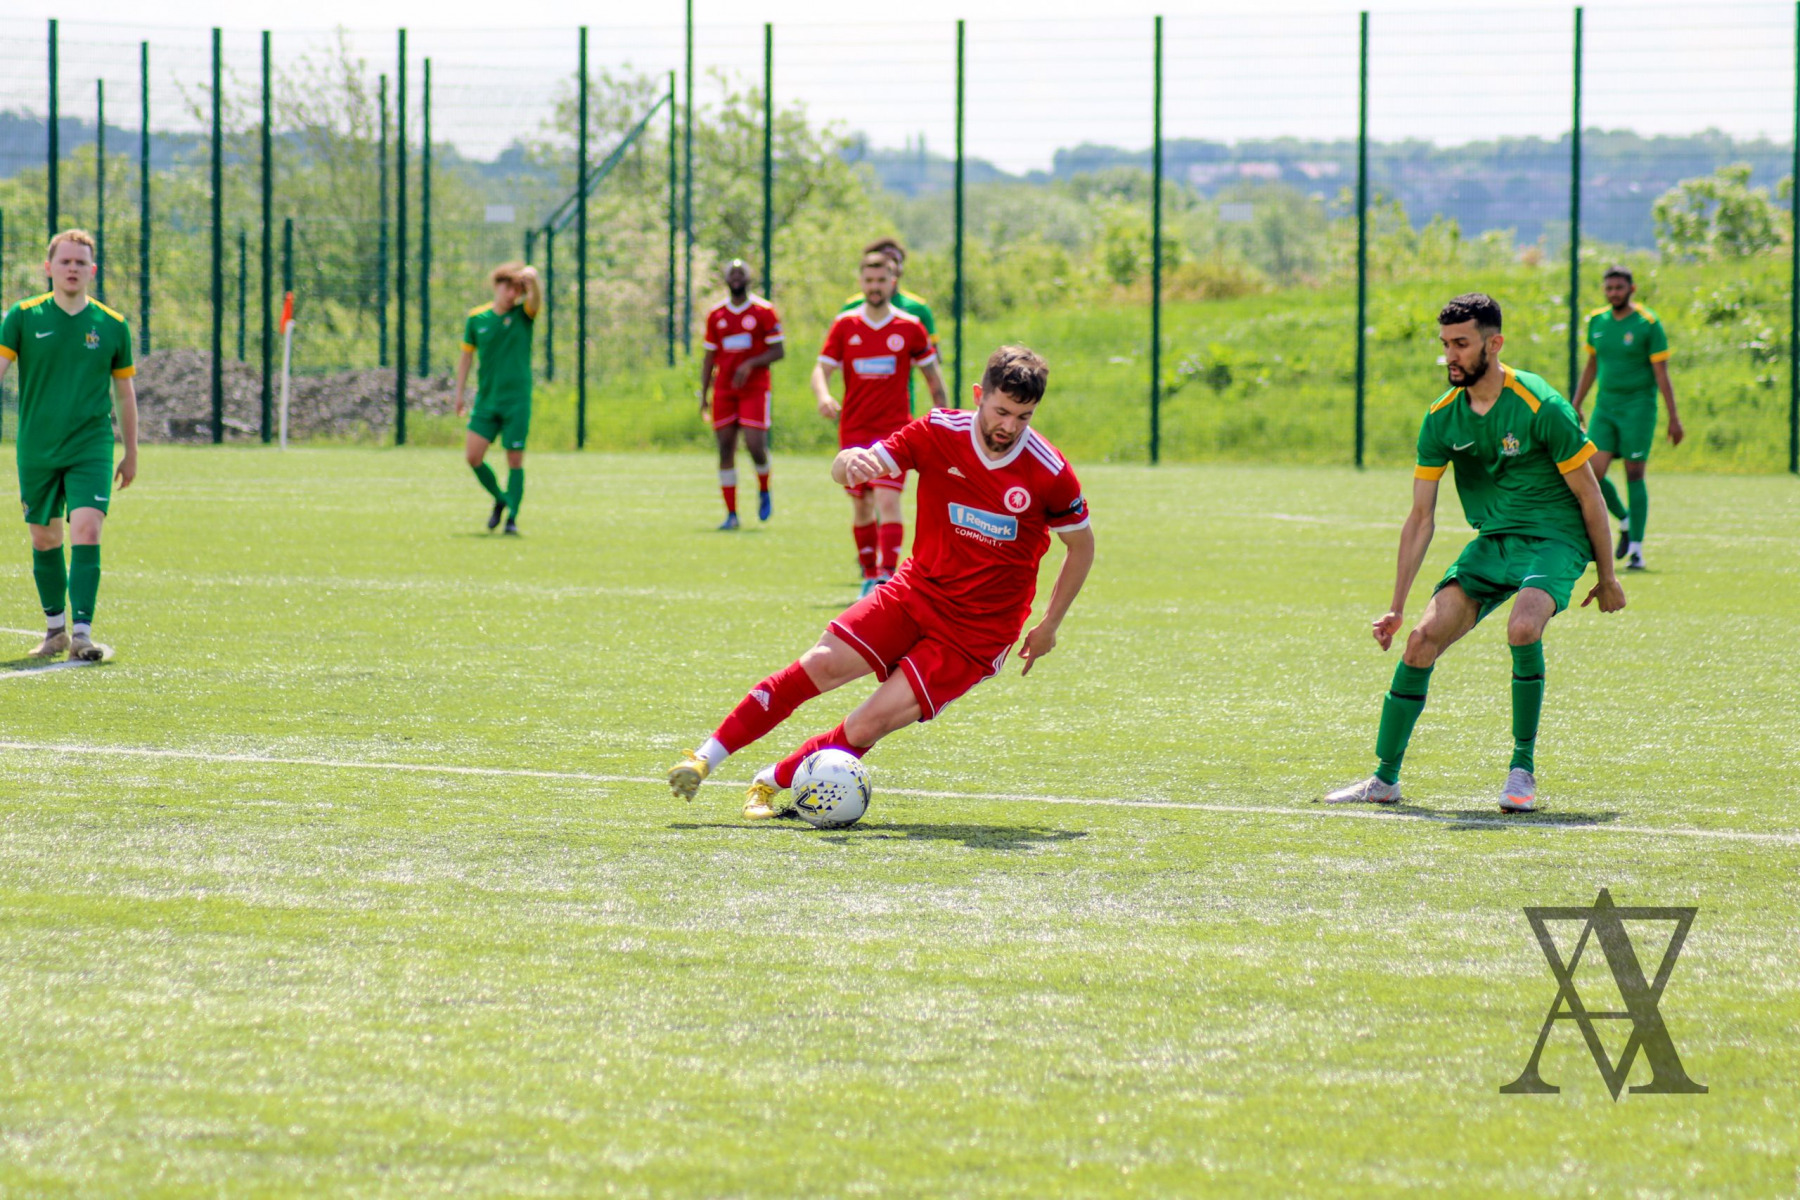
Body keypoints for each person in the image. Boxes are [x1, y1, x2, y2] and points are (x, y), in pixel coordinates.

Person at [667, 345, 1094, 819]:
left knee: (868, 723)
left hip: (976, 632)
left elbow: (1081, 546)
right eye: (1001, 411)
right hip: (915, 592)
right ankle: (704, 758)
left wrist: (1050, 624)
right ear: (979, 395)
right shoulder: (938, 431)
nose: (1009, 427)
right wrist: (848, 462)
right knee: (821, 664)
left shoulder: (1049, 471)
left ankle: (770, 781)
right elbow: (849, 466)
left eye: (1023, 417)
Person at [1325, 293, 1626, 814]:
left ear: (1494, 343)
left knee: (1522, 627)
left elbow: (1590, 496)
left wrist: (1608, 575)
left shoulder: (1540, 404)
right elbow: (1421, 518)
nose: (1451, 356)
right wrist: (1396, 606)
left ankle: (1521, 770)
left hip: (1556, 539)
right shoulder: (1441, 418)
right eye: (1446, 344)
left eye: (1461, 344)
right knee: (1419, 642)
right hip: (1493, 542)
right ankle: (1384, 779)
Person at [0, 229, 138, 662]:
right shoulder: (22, 317)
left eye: (80, 262)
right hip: (37, 447)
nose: (72, 268)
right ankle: (55, 630)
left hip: (90, 446)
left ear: (92, 270)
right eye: (65, 261)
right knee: (45, 538)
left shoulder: (112, 325)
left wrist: (131, 451)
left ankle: (82, 633)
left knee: (87, 529)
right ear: (49, 267)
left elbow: (124, 394)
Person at [815, 251, 949, 596]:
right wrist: (823, 395)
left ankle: (885, 578)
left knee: (888, 501)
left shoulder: (910, 326)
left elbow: (933, 377)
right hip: (854, 429)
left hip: (894, 429)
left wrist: (944, 418)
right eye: (869, 280)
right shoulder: (846, 325)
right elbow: (822, 369)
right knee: (861, 505)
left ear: (893, 282)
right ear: (861, 282)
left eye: (881, 280)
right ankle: (868, 574)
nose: (875, 287)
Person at [1571, 266, 1683, 571]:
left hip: (1638, 408)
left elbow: (1662, 373)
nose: (1614, 293)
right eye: (1609, 288)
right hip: (1605, 408)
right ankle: (1625, 518)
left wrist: (1674, 417)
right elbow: (1592, 365)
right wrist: (1576, 403)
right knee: (1592, 471)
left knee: (1634, 473)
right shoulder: (1597, 321)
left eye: (1619, 288)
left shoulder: (1647, 323)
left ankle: (1636, 549)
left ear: (1631, 289)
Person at [454, 262, 541, 535]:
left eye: (518, 290)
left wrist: (533, 282)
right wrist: (459, 393)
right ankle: (501, 499)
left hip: (516, 401)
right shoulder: (477, 318)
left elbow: (535, 302)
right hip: (487, 400)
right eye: (508, 288)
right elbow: (466, 358)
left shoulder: (523, 315)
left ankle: (512, 518)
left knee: (514, 459)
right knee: (473, 456)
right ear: (497, 286)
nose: (512, 294)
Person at [699, 260, 784, 529]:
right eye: (732, 273)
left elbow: (778, 351)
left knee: (755, 446)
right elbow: (709, 357)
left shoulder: (763, 311)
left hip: (754, 389)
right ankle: (731, 515)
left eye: (741, 273)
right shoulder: (716, 315)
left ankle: (764, 488)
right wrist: (704, 394)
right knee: (725, 448)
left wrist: (750, 364)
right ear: (725, 279)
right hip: (724, 390)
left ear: (749, 279)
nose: (736, 277)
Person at [839, 238, 936, 414]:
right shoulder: (852, 308)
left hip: (899, 405)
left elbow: (932, 357)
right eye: (885, 258)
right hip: (859, 408)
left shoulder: (917, 309)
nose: (892, 264)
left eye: (896, 260)